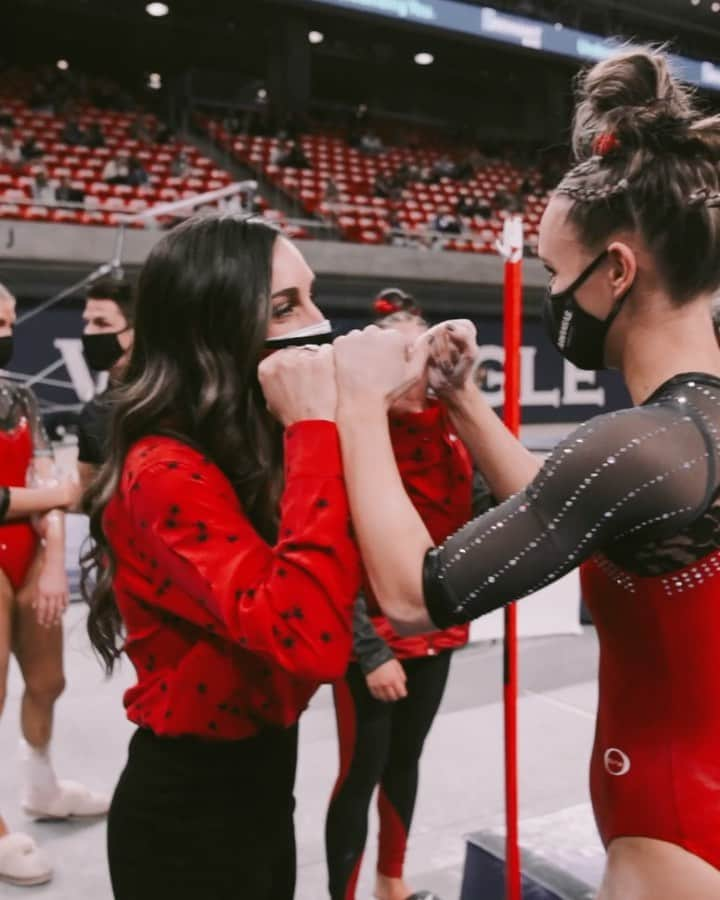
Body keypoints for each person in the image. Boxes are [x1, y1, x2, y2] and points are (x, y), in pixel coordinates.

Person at [327, 48, 720, 899]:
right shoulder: (680, 439)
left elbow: (407, 592)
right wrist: (466, 402)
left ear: (616, 271)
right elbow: (568, 506)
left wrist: (355, 404)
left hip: (670, 823)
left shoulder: (643, 443)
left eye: (555, 275)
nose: (555, 297)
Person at [81, 213, 361, 900]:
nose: (318, 322)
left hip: (265, 789)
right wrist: (317, 429)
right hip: (190, 817)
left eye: (312, 296)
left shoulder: (251, 447)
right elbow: (313, 641)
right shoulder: (164, 469)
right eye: (285, 307)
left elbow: (400, 573)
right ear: (218, 329)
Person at [325, 293, 474, 900]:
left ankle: (393, 881)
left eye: (425, 353)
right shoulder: (354, 433)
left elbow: (481, 519)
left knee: (405, 762)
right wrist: (369, 650)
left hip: (436, 631)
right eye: (406, 355)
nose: (418, 367)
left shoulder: (454, 431)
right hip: (370, 641)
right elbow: (330, 547)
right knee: (362, 771)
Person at [0, 283, 108, 887]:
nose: (8, 330)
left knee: (48, 681)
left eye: (12, 319)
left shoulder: (20, 395)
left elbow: (44, 473)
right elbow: (54, 487)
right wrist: (60, 496)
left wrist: (53, 551)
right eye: (0, 319)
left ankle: (40, 785)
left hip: (28, 552)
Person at [76, 276, 135, 496]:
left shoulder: (170, 401)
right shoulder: (94, 413)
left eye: (101, 323)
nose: (89, 332)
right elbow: (88, 493)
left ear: (135, 331)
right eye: (87, 322)